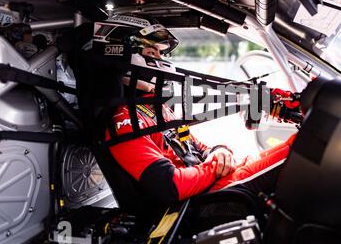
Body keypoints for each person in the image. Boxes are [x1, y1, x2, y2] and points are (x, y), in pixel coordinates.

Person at [94, 13, 301, 208]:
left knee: (300, 144)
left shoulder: (155, 108)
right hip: (202, 201)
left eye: (159, 52)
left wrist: (219, 152)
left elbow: (195, 148)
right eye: (150, 52)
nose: (159, 60)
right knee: (304, 153)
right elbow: (170, 186)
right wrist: (214, 169)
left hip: (215, 181)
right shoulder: (124, 122)